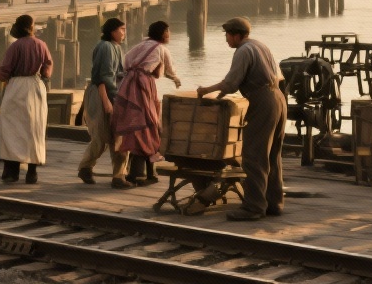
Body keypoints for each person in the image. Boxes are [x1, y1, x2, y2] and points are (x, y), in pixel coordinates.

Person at [195, 17, 285, 220]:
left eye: (227, 35)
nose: (226, 40)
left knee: (253, 155)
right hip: (278, 97)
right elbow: (279, 76)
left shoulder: (243, 51)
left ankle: (253, 207)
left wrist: (206, 90)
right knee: (272, 155)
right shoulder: (260, 45)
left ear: (236, 35)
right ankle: (274, 203)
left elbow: (231, 84)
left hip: (263, 100)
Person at [112, 20, 182, 187]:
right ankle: (144, 172)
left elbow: (126, 60)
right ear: (162, 34)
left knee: (139, 121)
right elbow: (170, 70)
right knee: (149, 122)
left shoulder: (141, 44)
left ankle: (143, 171)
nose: (169, 35)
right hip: (144, 85)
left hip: (130, 83)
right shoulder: (161, 49)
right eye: (168, 31)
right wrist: (176, 80)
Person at [0, 15, 53, 184]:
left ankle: (12, 172)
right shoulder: (42, 45)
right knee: (34, 128)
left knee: (12, 128)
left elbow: (5, 70)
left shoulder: (15, 46)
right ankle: (32, 172)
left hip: (17, 87)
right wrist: (44, 78)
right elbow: (48, 66)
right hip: (36, 85)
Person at [77, 18, 129, 187]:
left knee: (118, 136)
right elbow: (102, 77)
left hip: (112, 94)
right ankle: (87, 167)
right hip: (103, 94)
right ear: (113, 31)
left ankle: (118, 175)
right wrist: (108, 100)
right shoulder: (106, 47)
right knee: (102, 135)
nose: (124, 32)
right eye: (122, 29)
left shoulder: (117, 48)